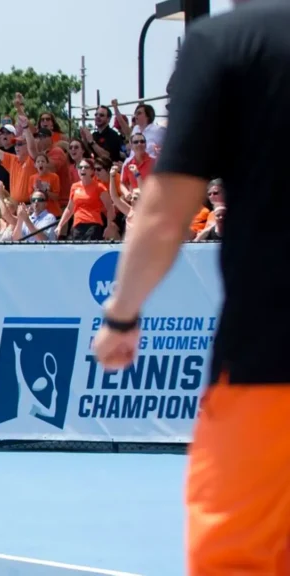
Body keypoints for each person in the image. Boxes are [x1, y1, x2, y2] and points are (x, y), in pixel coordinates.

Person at [92, 1, 290, 573]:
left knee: (238, 560)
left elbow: (165, 214)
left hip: (272, 368)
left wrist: (122, 315)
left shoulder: (228, 45)